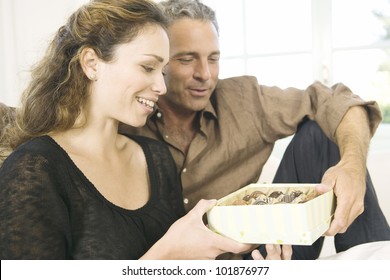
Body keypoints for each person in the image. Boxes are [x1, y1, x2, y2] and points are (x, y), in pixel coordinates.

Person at [0, 0, 292, 260]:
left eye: (162, 71)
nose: (161, 87)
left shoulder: (155, 158)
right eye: (147, 67)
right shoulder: (33, 170)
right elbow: (170, 257)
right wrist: (165, 255)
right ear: (91, 64)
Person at [118, 0, 390, 259]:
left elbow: (337, 99)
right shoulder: (128, 118)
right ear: (160, 60)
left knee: (321, 135)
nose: (205, 74)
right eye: (187, 59)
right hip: (173, 263)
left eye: (213, 58)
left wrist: (353, 166)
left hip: (265, 256)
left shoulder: (244, 99)